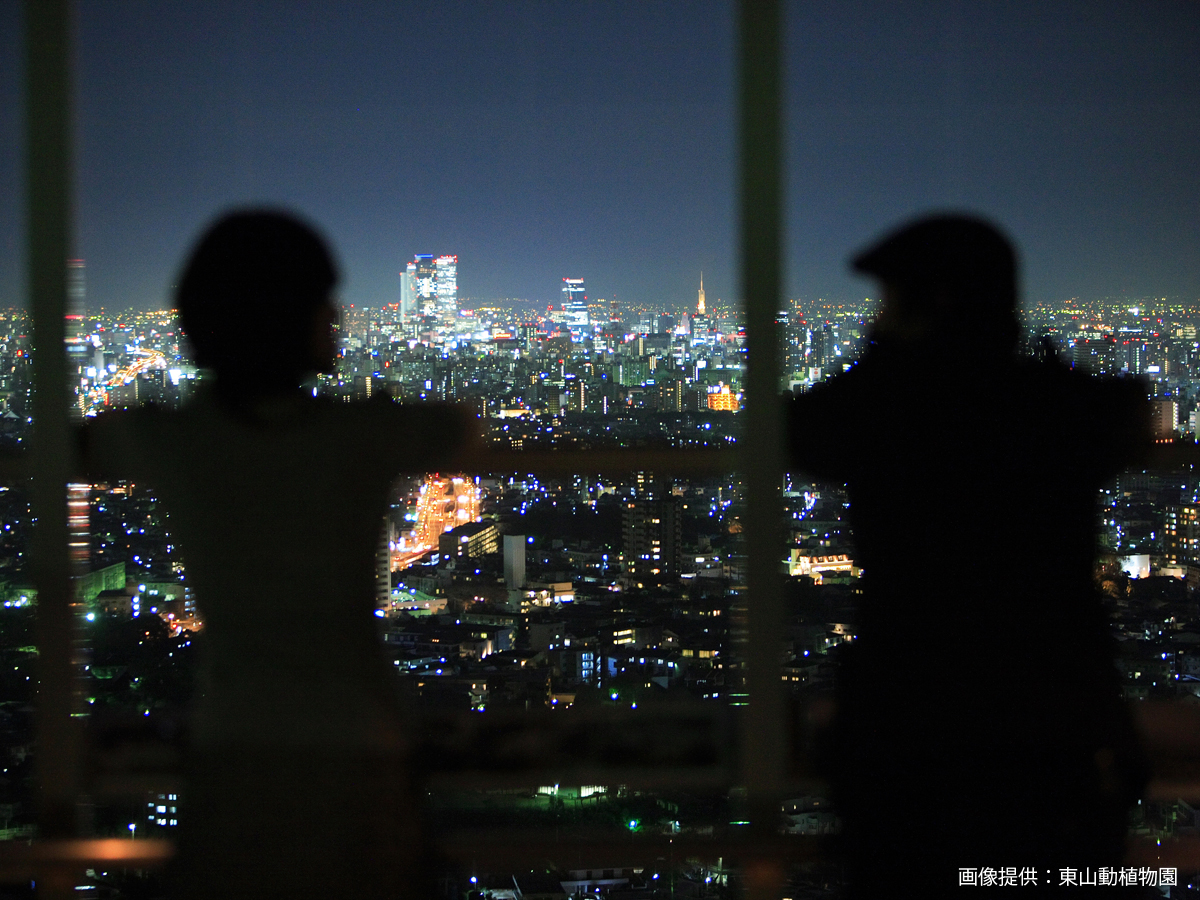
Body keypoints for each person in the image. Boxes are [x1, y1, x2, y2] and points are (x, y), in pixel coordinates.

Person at [84, 210, 475, 899]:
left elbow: (88, 439)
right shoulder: (365, 435)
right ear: (304, 323)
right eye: (327, 307)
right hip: (361, 743)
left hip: (235, 741)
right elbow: (456, 425)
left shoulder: (171, 440)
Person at [788, 214, 1150, 896]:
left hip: (913, 716)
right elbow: (1122, 415)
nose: (880, 314)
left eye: (892, 301)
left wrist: (892, 353)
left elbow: (805, 429)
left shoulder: (889, 409)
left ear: (930, 305)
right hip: (1052, 711)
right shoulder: (1056, 407)